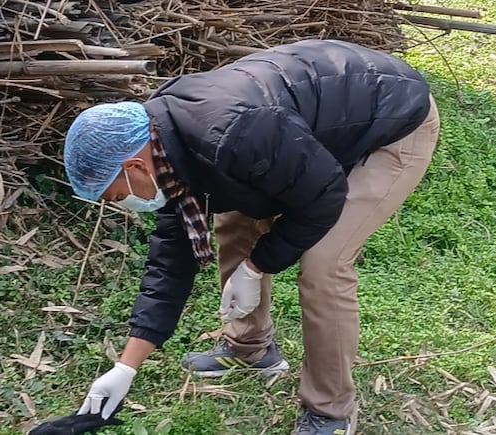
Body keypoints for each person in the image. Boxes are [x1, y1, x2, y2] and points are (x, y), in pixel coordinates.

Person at [62, 39, 440, 435]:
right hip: (314, 123)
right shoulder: (167, 147)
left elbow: (323, 197)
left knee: (324, 263)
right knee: (235, 222)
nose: (124, 206)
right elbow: (171, 262)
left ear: (135, 165)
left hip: (393, 119)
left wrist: (258, 265)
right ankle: (249, 347)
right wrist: (125, 368)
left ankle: (331, 412)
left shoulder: (230, 132)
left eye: (118, 197)